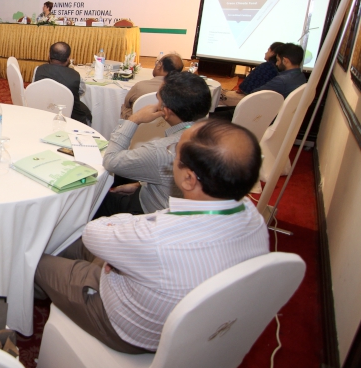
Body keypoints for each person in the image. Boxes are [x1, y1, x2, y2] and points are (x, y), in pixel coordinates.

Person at [35, 118, 269, 354]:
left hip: (125, 326)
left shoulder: (157, 236)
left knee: (31, 260)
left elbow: (93, 232)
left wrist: (124, 234)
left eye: (175, 150)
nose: (172, 154)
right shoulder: (253, 218)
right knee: (68, 243)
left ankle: (28, 301)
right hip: (183, 324)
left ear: (189, 178)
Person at [98, 71, 211, 217]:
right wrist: (141, 184)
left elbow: (110, 161)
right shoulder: (216, 135)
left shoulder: (163, 149)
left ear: (166, 111)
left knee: (96, 199)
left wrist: (134, 119)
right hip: (175, 203)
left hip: (152, 214)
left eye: (158, 98)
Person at [34, 42, 92, 125]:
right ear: (68, 59)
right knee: (86, 111)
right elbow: (80, 92)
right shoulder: (76, 76)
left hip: (43, 112)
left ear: (48, 55)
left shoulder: (38, 70)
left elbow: (34, 88)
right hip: (71, 119)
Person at [121, 53, 183, 118]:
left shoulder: (140, 87)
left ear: (159, 65)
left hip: (139, 123)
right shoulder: (181, 91)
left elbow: (127, 104)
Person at [220, 42, 283, 107]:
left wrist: (241, 90)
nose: (265, 53)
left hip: (249, 100)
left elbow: (243, 89)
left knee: (217, 94)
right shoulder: (280, 68)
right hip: (264, 102)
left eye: (268, 50)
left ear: (272, 53)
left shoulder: (266, 67)